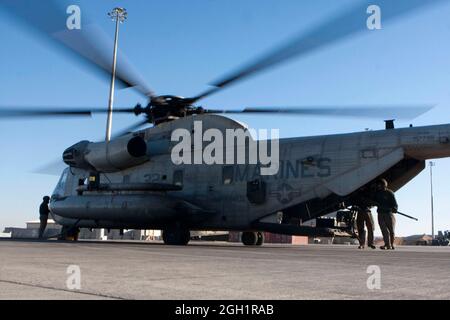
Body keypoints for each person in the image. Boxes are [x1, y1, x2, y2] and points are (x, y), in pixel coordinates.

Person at [374, 179, 398, 250]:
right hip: (380, 214)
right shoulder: (377, 193)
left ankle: (392, 244)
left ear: (384, 185)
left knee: (391, 231)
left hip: (389, 214)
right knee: (384, 230)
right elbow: (373, 201)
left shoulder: (390, 193)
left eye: (380, 185)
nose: (379, 186)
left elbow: (395, 204)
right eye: (378, 185)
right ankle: (387, 244)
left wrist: (395, 208)